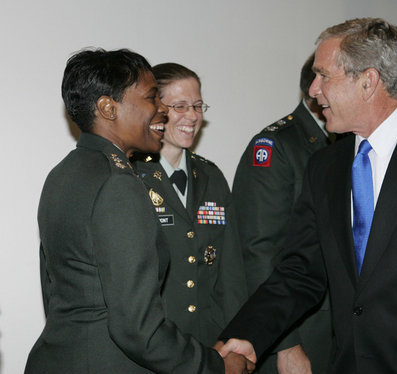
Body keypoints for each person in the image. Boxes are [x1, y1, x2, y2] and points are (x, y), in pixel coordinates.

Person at [217, 18, 397, 373]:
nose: (313, 90)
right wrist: (247, 333)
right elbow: (299, 273)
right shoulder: (325, 166)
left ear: (368, 82)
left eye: (324, 76)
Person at [25, 48, 252, 374]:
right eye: (151, 99)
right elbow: (137, 328)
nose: (162, 111)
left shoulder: (64, 173)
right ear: (108, 107)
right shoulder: (118, 184)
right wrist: (215, 366)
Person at [133, 62, 247, 347]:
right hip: (156, 345)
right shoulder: (131, 176)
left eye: (197, 106)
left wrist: (234, 337)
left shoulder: (212, 177)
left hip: (209, 342)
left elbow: (230, 272)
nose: (193, 116)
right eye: (180, 106)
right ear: (156, 109)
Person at [231, 54, 332, 374]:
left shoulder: (344, 141)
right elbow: (259, 250)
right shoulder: (278, 145)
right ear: (314, 88)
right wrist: (287, 344)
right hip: (300, 330)